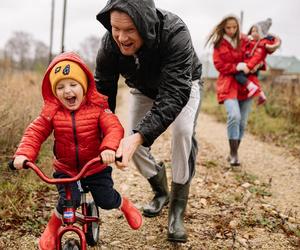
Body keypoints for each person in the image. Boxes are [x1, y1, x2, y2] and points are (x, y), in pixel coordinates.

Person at [94, 0, 202, 243]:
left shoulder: (176, 33)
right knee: (131, 140)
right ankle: (160, 190)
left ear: (145, 24)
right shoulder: (109, 45)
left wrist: (139, 136)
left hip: (183, 85)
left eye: (130, 30)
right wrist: (103, 134)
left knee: (182, 132)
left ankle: (177, 208)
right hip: (142, 89)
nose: (121, 37)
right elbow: (103, 93)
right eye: (115, 28)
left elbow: (174, 94)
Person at [12, 52, 142, 250]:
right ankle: (51, 229)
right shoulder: (52, 112)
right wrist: (23, 155)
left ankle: (124, 204)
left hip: (95, 166)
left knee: (105, 199)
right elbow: (35, 132)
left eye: (73, 84)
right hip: (66, 169)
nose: (67, 91)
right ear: (54, 92)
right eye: (60, 87)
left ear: (84, 86)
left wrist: (108, 148)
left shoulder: (98, 108)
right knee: (67, 202)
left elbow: (114, 128)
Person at [206, 15, 261, 167]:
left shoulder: (245, 40)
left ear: (238, 27)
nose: (231, 30)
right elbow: (219, 65)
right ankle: (234, 154)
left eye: (234, 27)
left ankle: (234, 152)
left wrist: (255, 64)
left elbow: (258, 52)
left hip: (245, 85)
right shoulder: (219, 44)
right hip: (228, 84)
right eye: (228, 27)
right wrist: (236, 67)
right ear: (223, 27)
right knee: (234, 116)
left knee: (242, 122)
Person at [235, 18, 281, 105]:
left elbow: (257, 57)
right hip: (250, 66)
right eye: (252, 31)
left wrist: (248, 67)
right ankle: (261, 94)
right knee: (253, 79)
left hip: (250, 66)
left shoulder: (261, 44)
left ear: (262, 33)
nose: (253, 33)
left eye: (256, 31)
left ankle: (252, 88)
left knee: (239, 76)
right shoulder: (252, 42)